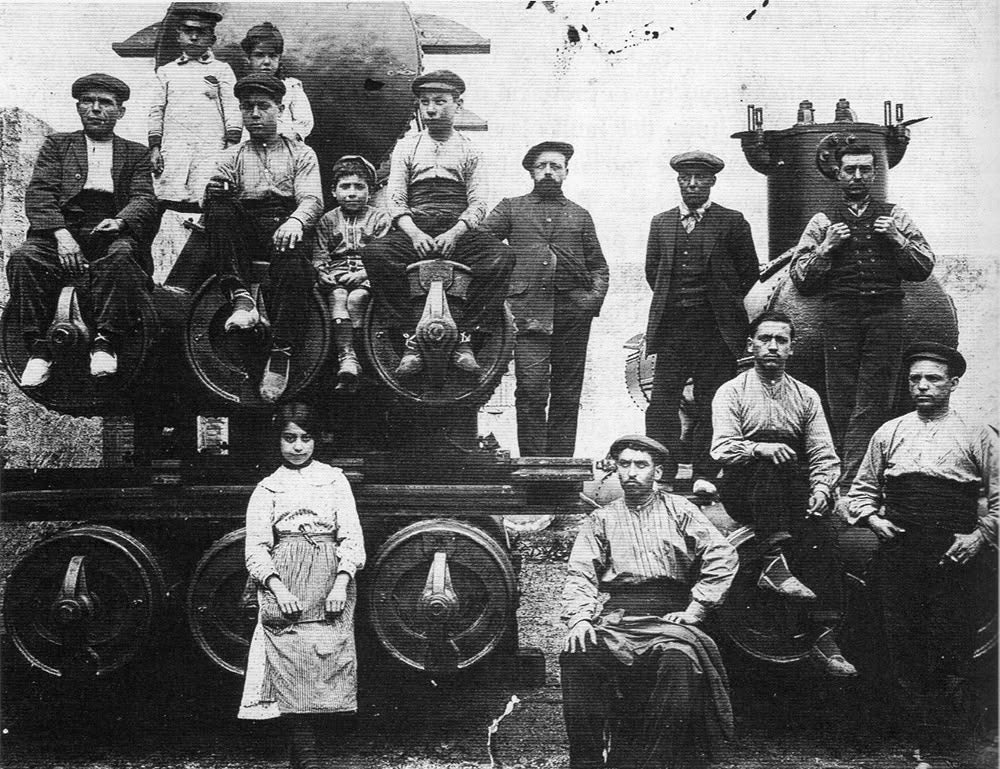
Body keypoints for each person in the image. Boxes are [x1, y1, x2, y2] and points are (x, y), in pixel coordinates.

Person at [846, 342, 997, 767]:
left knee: (948, 646)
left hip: (953, 554)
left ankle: (943, 744)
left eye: (932, 378)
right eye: (915, 379)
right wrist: (873, 520)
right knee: (888, 642)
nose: (923, 387)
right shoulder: (889, 432)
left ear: (953, 383)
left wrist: (978, 537)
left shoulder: (978, 434)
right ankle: (898, 736)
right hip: (899, 552)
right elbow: (861, 492)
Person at [560, 434, 738, 769]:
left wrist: (696, 608)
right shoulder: (602, 518)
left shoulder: (681, 509)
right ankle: (586, 763)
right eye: (624, 464)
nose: (631, 472)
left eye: (641, 465)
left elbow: (722, 554)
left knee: (679, 661)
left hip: (671, 618)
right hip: (619, 618)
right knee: (577, 655)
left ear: (656, 472)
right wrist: (580, 618)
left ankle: (654, 762)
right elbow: (580, 571)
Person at [710, 310, 855, 676]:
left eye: (781, 341)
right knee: (770, 462)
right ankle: (773, 560)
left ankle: (824, 634)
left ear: (791, 349)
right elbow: (721, 448)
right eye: (765, 339)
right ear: (751, 345)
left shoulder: (806, 396)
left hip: (790, 486)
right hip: (744, 485)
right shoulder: (732, 391)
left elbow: (824, 452)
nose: (772, 346)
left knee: (822, 533)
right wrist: (758, 448)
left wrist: (822, 488)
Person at [169, 73, 324, 403]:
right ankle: (241, 297)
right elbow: (210, 194)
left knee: (295, 266)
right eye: (247, 107)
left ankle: (281, 352)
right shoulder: (231, 155)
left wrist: (296, 221)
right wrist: (210, 194)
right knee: (220, 208)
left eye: (263, 106)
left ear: (279, 109)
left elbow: (312, 199)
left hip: (285, 222)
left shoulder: (302, 153)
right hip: (246, 226)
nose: (254, 113)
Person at [789, 143, 935, 492]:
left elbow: (924, 265)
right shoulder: (823, 220)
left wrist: (897, 239)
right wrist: (826, 248)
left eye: (865, 169)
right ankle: (853, 473)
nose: (857, 176)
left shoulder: (895, 215)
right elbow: (800, 277)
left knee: (875, 396)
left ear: (874, 173)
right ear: (837, 174)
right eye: (850, 169)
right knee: (841, 396)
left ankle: (853, 478)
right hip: (839, 316)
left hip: (885, 315)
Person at [6, 73, 157, 386]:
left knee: (122, 258)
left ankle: (105, 342)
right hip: (61, 230)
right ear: (78, 107)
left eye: (105, 103)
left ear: (120, 111)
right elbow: (40, 193)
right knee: (23, 259)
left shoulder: (137, 153)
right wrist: (61, 236)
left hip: (110, 229)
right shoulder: (58, 145)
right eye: (88, 102)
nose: (96, 109)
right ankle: (39, 349)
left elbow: (144, 197)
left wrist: (121, 221)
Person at [362, 69, 514, 376]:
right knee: (375, 254)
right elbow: (396, 200)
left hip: (455, 228)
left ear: (458, 104)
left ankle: (467, 337)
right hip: (415, 226)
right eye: (425, 102)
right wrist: (414, 233)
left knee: (502, 257)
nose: (431, 109)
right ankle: (409, 339)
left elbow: (478, 203)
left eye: (440, 101)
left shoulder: (470, 149)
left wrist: (456, 233)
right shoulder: (406, 146)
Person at [239, 402, 366, 769]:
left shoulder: (334, 480)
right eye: (289, 438)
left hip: (329, 578)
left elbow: (352, 538)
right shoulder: (268, 489)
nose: (298, 447)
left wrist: (341, 583)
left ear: (316, 440)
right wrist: (278, 589)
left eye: (305, 438)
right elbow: (256, 549)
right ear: (277, 441)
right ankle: (304, 750)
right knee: (286, 657)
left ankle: (303, 747)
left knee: (325, 657)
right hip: (285, 579)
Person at [483, 141, 609, 457]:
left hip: (573, 315)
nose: (549, 172)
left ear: (566, 172)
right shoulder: (511, 208)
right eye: (542, 166)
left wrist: (590, 302)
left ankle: (561, 467)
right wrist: (505, 290)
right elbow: (481, 245)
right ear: (531, 171)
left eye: (556, 166)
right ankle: (534, 466)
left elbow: (599, 266)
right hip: (527, 314)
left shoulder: (580, 215)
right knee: (530, 391)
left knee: (567, 394)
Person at [643, 151, 758, 496]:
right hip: (674, 330)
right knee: (662, 401)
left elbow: (748, 272)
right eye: (686, 178)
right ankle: (664, 470)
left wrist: (721, 302)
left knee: (713, 402)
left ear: (712, 182)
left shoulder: (732, 221)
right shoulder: (661, 222)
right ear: (678, 181)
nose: (692, 184)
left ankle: (705, 473)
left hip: (716, 330)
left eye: (700, 178)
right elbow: (654, 272)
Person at [147, 5, 241, 215]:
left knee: (206, 198)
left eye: (201, 32)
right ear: (179, 35)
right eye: (189, 31)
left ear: (212, 38)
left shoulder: (222, 70)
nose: (194, 37)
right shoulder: (166, 72)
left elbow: (233, 109)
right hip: (174, 148)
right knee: (170, 198)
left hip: (210, 149)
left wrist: (230, 149)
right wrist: (154, 148)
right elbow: (156, 111)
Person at [312, 155, 391, 391]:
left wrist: (364, 274)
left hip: (368, 275)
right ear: (333, 191)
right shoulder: (327, 220)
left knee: (357, 298)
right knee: (337, 297)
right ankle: (346, 355)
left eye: (359, 187)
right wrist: (321, 271)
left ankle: (360, 357)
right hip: (336, 273)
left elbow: (384, 254)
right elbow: (320, 253)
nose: (352, 193)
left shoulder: (379, 218)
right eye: (345, 187)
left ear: (370, 190)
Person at [240, 22, 314, 142]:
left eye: (273, 56)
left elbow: (304, 121)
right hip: (250, 149)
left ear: (279, 59)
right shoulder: (243, 89)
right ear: (248, 59)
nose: (267, 62)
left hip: (284, 147)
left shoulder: (292, 88)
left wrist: (289, 138)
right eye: (259, 55)